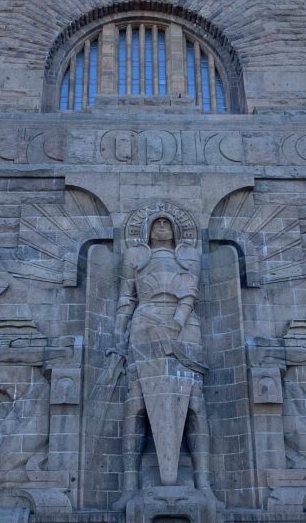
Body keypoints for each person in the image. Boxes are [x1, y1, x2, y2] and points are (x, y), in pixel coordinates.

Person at [112, 215, 217, 508]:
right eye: (156, 224)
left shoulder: (188, 255)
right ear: (146, 230)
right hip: (143, 323)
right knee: (135, 404)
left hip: (184, 327)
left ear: (176, 229)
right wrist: (116, 338)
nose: (161, 228)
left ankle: (203, 484)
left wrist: (176, 322)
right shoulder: (135, 256)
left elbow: (190, 293)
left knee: (195, 402)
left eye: (166, 224)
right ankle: (129, 486)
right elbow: (125, 298)